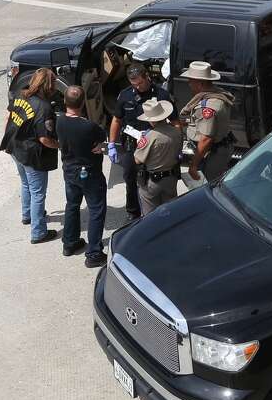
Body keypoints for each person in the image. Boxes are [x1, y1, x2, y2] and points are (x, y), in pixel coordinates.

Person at [0, 69, 60, 244]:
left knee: (26, 183)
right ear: (47, 85)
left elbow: (8, 116)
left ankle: (27, 215)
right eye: (53, 83)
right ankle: (38, 232)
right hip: (32, 155)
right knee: (38, 193)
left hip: (15, 147)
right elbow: (44, 139)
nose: (55, 86)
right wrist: (62, 145)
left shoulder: (20, 94)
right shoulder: (44, 107)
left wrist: (9, 139)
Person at [108, 64, 173, 220]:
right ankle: (133, 213)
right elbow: (117, 119)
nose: (137, 87)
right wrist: (111, 144)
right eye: (134, 84)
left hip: (155, 144)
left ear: (147, 77)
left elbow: (175, 121)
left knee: (155, 180)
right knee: (130, 179)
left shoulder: (161, 95)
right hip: (132, 144)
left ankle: (159, 212)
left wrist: (174, 146)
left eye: (140, 83)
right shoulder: (125, 96)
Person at [54, 85, 108, 267]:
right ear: (83, 102)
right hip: (89, 172)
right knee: (96, 210)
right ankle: (93, 253)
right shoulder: (88, 126)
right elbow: (102, 135)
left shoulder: (60, 121)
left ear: (64, 101)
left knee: (72, 204)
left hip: (69, 170)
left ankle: (69, 243)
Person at [178, 61, 236, 183]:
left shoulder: (207, 107)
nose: (189, 84)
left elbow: (206, 139)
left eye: (191, 81)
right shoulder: (217, 93)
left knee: (207, 188)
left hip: (211, 154)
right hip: (220, 148)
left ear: (200, 83)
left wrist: (194, 165)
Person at [132, 97, 182, 215]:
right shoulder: (176, 132)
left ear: (151, 120)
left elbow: (137, 160)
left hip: (152, 181)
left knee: (151, 216)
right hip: (171, 177)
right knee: (170, 212)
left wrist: (139, 143)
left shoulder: (150, 137)